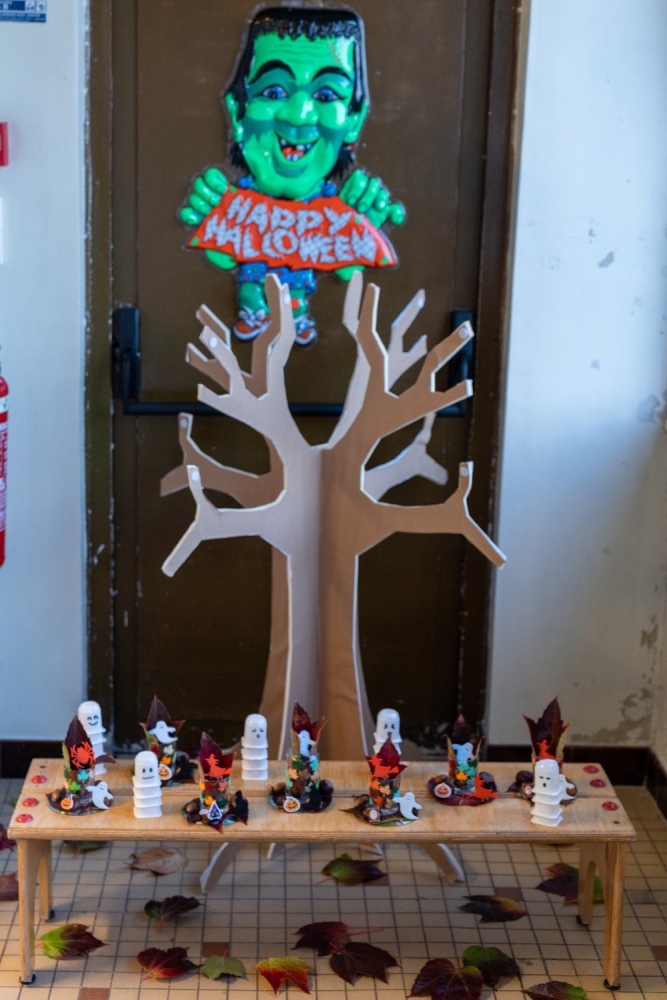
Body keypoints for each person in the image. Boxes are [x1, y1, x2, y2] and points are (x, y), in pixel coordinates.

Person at [179, 5, 406, 346]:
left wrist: (359, 230)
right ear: (238, 114)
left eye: (327, 95)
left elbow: (347, 269)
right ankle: (256, 312)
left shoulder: (343, 209)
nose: (299, 115)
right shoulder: (231, 203)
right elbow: (220, 254)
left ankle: (293, 317)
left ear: (353, 121)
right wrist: (211, 216)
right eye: (273, 92)